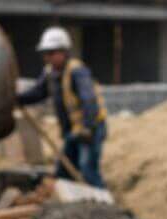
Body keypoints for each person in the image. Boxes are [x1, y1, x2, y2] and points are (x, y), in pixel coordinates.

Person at [17, 27, 109, 189]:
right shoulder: (50, 73)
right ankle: (72, 207)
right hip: (73, 131)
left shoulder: (76, 71)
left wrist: (88, 127)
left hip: (90, 128)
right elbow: (38, 93)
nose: (48, 57)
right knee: (64, 171)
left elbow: (89, 100)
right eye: (46, 53)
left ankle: (103, 206)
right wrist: (17, 99)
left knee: (87, 169)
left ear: (64, 52)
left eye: (52, 53)